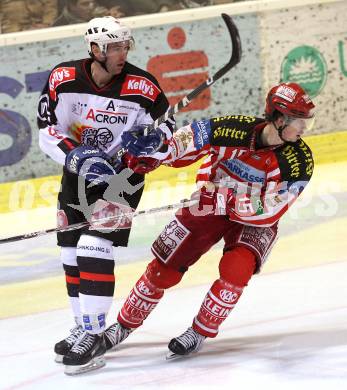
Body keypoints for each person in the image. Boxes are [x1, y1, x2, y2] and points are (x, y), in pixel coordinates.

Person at [103, 82, 315, 359]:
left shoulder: (299, 161)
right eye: (298, 122)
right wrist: (157, 149)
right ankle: (122, 325)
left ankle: (200, 331)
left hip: (252, 221)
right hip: (208, 204)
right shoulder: (231, 128)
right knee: (162, 269)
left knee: (236, 269)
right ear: (277, 118)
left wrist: (224, 199)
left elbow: (270, 210)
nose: (303, 130)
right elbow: (187, 140)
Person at [37, 16, 174, 375]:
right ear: (94, 49)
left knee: (93, 247)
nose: (121, 52)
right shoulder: (63, 79)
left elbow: (168, 132)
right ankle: (83, 326)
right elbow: (47, 129)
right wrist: (75, 154)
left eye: (125, 45)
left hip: (122, 180)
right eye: (114, 46)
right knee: (69, 252)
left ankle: (96, 335)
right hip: (77, 178)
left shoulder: (143, 86)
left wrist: (151, 146)